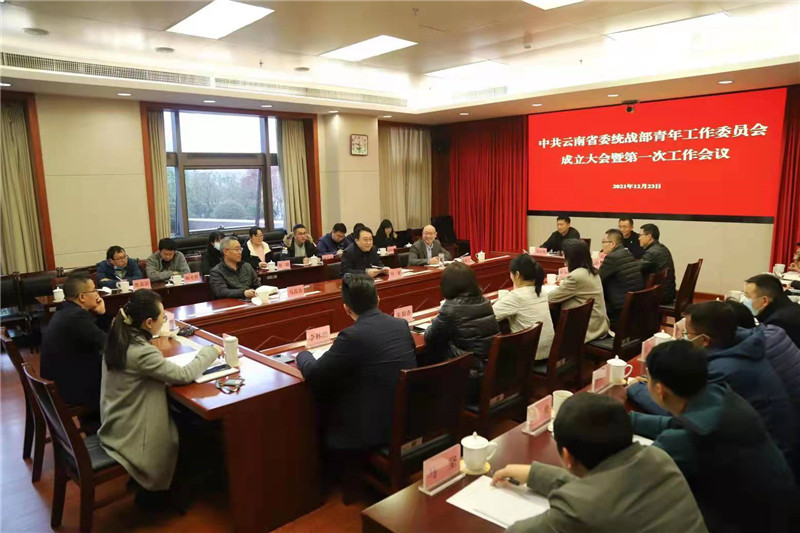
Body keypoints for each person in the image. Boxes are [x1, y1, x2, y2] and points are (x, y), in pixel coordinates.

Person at [629, 340, 796, 533]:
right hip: (780, 511)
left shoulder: (687, 439)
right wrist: (628, 419)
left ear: (660, 390)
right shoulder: (719, 395)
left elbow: (635, 477)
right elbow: (677, 424)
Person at [492, 393, 707, 533]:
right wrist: (534, 474)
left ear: (567, 456)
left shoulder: (580, 509)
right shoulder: (658, 458)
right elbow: (606, 491)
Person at [628, 300, 797, 467]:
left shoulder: (722, 371)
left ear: (705, 340)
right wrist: (629, 420)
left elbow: (678, 412)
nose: (683, 338)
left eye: (687, 333)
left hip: (769, 460)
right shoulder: (741, 350)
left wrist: (636, 389)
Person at [99, 290, 220, 505]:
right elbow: (183, 375)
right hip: (133, 430)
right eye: (162, 318)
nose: (164, 321)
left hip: (116, 419)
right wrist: (210, 352)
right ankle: (187, 488)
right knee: (199, 428)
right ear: (148, 323)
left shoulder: (120, 335)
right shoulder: (140, 351)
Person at [296, 275, 416, 450]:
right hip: (406, 419)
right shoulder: (401, 325)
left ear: (346, 308)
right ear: (378, 299)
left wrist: (303, 354)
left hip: (371, 433)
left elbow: (314, 374)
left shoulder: (351, 336)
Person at [424, 262, 499, 400]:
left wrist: (436, 322)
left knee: (429, 356)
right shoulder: (485, 301)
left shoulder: (451, 308)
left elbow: (430, 336)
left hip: (468, 379)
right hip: (490, 371)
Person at [40, 273, 107, 424]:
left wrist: (101, 314)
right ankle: (106, 429)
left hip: (60, 381)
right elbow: (107, 343)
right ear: (82, 297)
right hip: (72, 388)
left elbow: (97, 338)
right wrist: (103, 316)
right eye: (94, 290)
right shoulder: (76, 317)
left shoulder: (66, 310)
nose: (98, 294)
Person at [492, 254, 554, 360]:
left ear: (517, 274)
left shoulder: (517, 296)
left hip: (530, 356)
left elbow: (491, 315)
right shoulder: (541, 291)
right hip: (549, 351)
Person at [548, 239, 610, 342]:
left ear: (571, 257)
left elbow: (551, 298)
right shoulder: (592, 271)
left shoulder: (576, 276)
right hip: (598, 324)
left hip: (588, 328)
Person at [744, 273, 800, 348]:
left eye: (747, 296)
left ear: (765, 300)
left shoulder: (777, 324)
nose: (743, 300)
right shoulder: (790, 307)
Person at [599, 229, 643, 321]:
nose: (602, 245)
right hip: (633, 303)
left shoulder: (612, 257)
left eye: (603, 242)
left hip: (618, 308)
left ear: (613, 244)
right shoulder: (627, 252)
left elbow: (598, 279)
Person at [638, 223, 676, 304]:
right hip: (668, 291)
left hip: (660, 295)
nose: (639, 238)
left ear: (649, 236)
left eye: (640, 235)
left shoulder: (652, 252)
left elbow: (636, 270)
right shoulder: (662, 248)